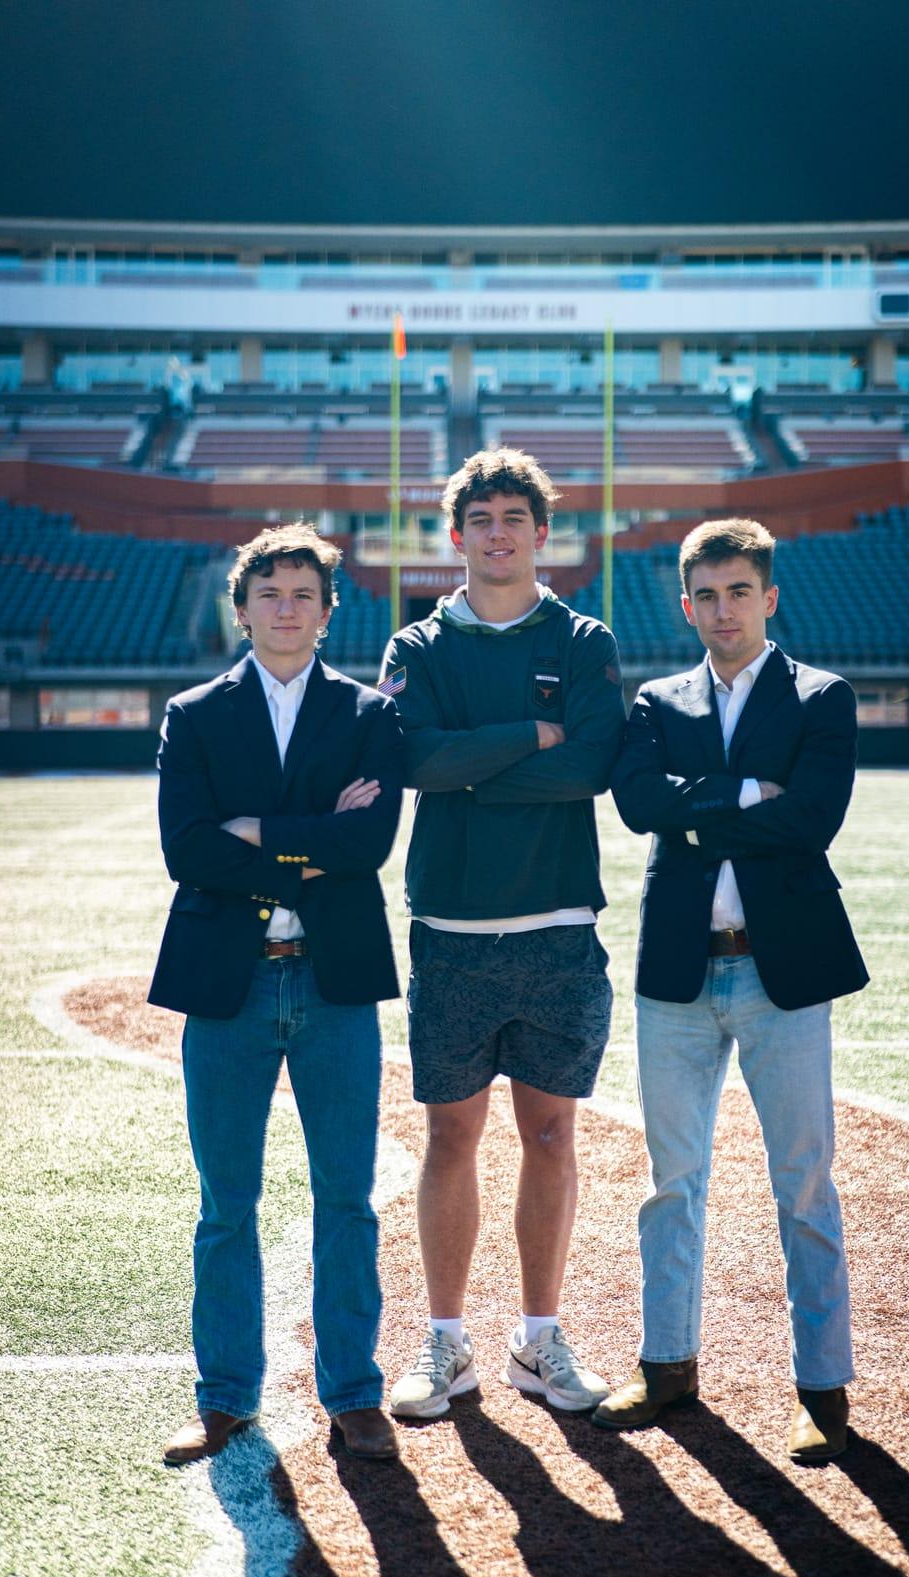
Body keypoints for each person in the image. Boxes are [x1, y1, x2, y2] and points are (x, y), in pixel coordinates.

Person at [595, 517, 868, 1461]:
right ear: (685, 604)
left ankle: (821, 1389)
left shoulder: (820, 697)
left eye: (738, 591)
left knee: (802, 1183)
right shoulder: (654, 700)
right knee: (671, 1182)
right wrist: (751, 792)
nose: (722, 609)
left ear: (769, 597)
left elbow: (812, 821)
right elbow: (637, 806)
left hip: (780, 969)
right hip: (677, 970)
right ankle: (667, 1367)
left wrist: (700, 804)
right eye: (705, 595)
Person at [378, 448, 625, 1420]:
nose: (496, 532)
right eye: (478, 518)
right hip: (449, 930)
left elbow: (594, 765)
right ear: (456, 534)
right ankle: (444, 1342)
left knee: (552, 1134)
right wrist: (529, 735)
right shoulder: (420, 645)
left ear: (538, 531)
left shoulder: (579, 637)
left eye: (512, 517)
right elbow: (413, 763)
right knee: (449, 1135)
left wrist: (472, 764)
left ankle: (537, 1336)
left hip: (559, 927)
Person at [150, 524, 403, 1464]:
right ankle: (224, 1398)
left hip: (335, 984)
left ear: (330, 613)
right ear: (242, 607)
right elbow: (188, 849)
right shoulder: (196, 713)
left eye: (305, 594)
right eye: (270, 593)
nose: (286, 608)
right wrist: (309, 840)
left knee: (348, 1198)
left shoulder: (371, 715)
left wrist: (257, 832)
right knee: (227, 1203)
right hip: (230, 984)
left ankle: (353, 1394)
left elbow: (368, 846)